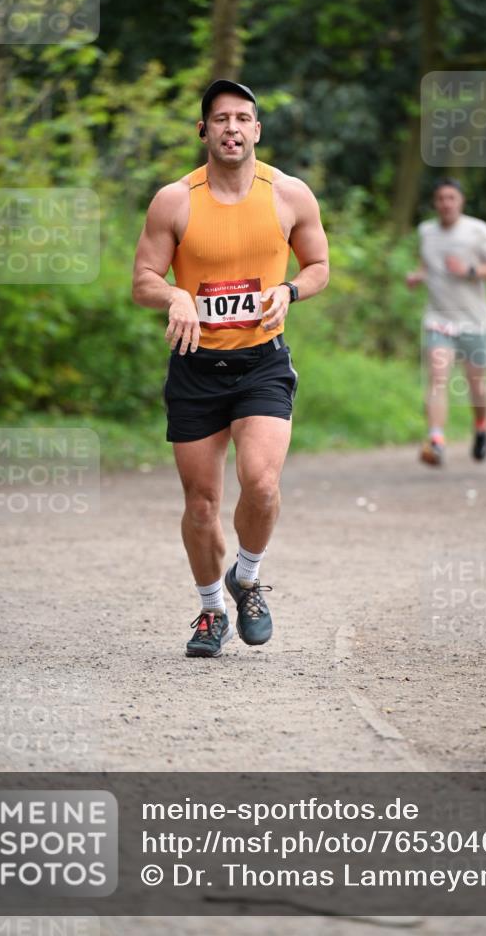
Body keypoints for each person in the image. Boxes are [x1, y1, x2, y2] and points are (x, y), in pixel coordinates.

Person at [132, 79, 329, 656]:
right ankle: (212, 610)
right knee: (201, 505)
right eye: (221, 119)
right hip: (195, 366)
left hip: (262, 363)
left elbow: (318, 265)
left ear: (257, 130)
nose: (232, 128)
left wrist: (289, 290)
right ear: (204, 131)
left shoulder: (288, 194)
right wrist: (175, 295)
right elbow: (143, 279)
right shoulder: (175, 200)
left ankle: (248, 576)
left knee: (261, 484)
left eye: (243, 118)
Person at [406, 178, 486, 466]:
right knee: (437, 378)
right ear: (435, 203)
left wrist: (470, 270)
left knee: (476, 385)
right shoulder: (426, 231)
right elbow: (428, 265)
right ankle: (436, 441)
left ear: (461, 201)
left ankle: (481, 427)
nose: (446, 203)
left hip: (474, 321)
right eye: (441, 198)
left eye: (451, 198)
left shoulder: (478, 230)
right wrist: (418, 276)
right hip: (439, 319)